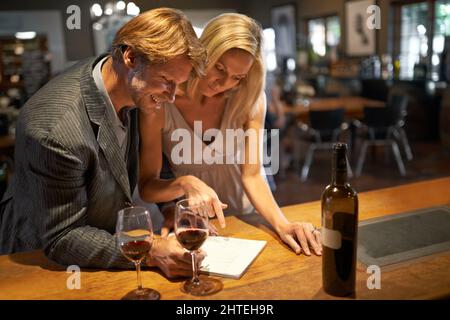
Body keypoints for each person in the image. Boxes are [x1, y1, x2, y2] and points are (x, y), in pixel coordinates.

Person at [0, 8, 208, 278]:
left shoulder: (134, 86)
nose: (170, 97)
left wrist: (170, 209)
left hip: (103, 243)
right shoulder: (54, 130)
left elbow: (153, 163)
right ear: (131, 57)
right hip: (38, 262)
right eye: (166, 81)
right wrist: (152, 248)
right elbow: (63, 237)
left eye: (177, 84)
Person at [139, 13, 322, 256]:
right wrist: (185, 183)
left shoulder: (250, 99)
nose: (222, 83)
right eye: (219, 68)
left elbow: (253, 175)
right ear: (204, 51)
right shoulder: (161, 103)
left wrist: (283, 224)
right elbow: (147, 188)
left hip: (246, 220)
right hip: (197, 227)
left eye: (237, 77)